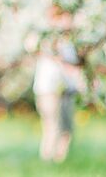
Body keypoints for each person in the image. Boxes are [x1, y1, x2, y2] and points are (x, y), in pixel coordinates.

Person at [34, 22, 80, 163]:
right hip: (49, 90)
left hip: (67, 91)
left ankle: (60, 159)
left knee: (67, 128)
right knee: (52, 126)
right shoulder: (47, 40)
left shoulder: (70, 44)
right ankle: (48, 159)